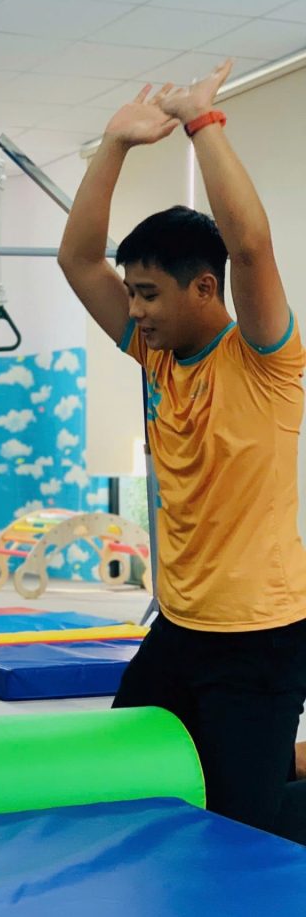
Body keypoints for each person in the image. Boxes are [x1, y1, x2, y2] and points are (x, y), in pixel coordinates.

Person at [57, 59, 306, 843]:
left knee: (244, 830)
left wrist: (204, 124)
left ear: (203, 288)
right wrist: (113, 144)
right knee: (131, 782)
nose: (133, 309)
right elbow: (77, 261)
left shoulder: (265, 360)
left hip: (260, 639)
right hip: (180, 630)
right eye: (131, 292)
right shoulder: (156, 356)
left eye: (147, 293)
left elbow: (252, 246)